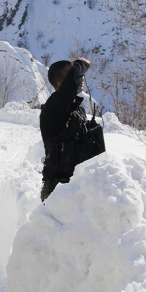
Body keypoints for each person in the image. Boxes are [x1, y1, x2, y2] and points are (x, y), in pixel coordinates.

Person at [39, 57, 103, 201]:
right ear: (62, 84)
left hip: (79, 185)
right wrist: (82, 63)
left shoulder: (75, 108)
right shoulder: (53, 107)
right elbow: (71, 82)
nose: (80, 79)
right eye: (74, 75)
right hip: (57, 190)